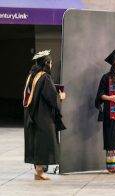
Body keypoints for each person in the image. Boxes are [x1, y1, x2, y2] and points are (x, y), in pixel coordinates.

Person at [23, 50, 66, 180]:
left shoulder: (32, 75)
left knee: (37, 142)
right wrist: (61, 97)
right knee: (44, 142)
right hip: (43, 116)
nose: (51, 65)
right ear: (47, 63)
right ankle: (40, 172)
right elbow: (51, 98)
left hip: (32, 114)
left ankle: (39, 171)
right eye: (51, 63)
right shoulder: (45, 77)